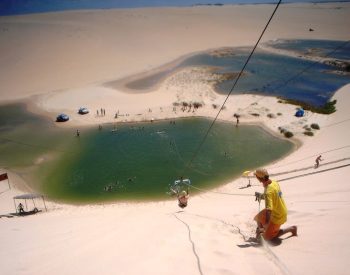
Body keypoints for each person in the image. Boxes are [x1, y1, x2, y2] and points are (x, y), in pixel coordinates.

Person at [254, 168, 297, 241]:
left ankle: (291, 229)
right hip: (281, 209)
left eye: (256, 176)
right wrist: (261, 196)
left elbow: (269, 210)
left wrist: (266, 226)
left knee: (267, 238)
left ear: (259, 179)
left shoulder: (268, 192)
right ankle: (264, 230)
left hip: (277, 215)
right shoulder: (274, 182)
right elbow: (273, 196)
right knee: (257, 218)